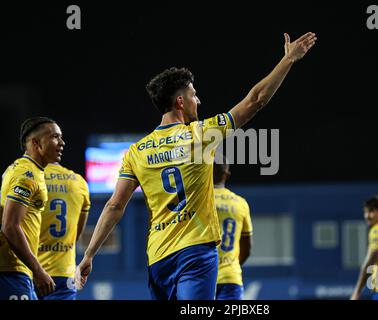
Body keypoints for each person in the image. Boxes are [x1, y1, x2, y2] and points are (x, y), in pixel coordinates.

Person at [76, 31, 317, 300]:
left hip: (158, 257)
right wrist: (288, 60)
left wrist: (88, 255)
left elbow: (114, 206)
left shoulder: (136, 151)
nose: (198, 100)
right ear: (180, 101)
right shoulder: (201, 135)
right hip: (196, 250)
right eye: (194, 94)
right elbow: (255, 100)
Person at [0, 117, 65, 300]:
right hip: (11, 269)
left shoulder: (25, 169)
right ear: (36, 143)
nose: (61, 143)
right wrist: (38, 270)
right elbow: (10, 226)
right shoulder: (27, 175)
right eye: (55, 137)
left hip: (16, 269)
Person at [37, 162, 90, 300]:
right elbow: (77, 234)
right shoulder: (79, 182)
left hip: (31, 270)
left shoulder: (27, 176)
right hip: (64, 272)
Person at [213, 159, 252, 300]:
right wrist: (233, 263)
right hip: (231, 276)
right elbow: (247, 248)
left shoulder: (199, 202)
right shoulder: (240, 203)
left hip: (203, 276)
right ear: (227, 174)